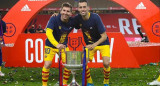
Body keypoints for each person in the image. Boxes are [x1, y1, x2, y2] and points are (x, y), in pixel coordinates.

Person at [75, 0, 111, 86]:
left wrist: (94, 45)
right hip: (90, 44)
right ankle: (90, 82)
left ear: (88, 8)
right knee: (84, 62)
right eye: (80, 7)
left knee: (106, 63)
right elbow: (67, 20)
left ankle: (106, 82)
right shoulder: (78, 18)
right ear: (78, 9)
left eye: (84, 7)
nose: (83, 9)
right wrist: (57, 15)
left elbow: (104, 36)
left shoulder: (95, 17)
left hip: (103, 43)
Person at [42, 2, 75, 86]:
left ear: (71, 13)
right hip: (51, 45)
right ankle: (44, 85)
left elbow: (82, 20)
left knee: (68, 64)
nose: (65, 13)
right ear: (60, 11)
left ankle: (64, 83)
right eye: (64, 10)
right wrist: (57, 45)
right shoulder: (54, 18)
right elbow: (48, 32)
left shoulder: (73, 21)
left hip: (63, 46)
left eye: (68, 11)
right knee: (47, 64)